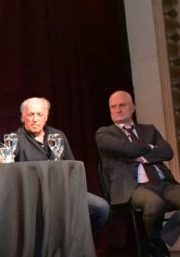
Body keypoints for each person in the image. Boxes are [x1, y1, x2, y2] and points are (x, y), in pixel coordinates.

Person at [96, 90, 180, 257]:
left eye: (122, 105)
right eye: (113, 107)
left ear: (133, 107)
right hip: (133, 187)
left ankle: (158, 239)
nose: (117, 110)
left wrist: (142, 157)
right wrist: (149, 148)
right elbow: (125, 148)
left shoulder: (149, 130)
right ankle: (157, 244)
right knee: (155, 204)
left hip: (163, 183)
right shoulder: (104, 134)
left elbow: (167, 152)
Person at [14, 97, 110, 236]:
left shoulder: (57, 135)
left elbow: (71, 166)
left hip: (63, 190)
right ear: (23, 116)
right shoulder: (15, 140)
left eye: (39, 114)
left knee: (101, 207)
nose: (35, 119)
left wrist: (73, 189)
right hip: (36, 196)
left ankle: (78, 243)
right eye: (31, 114)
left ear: (46, 116)